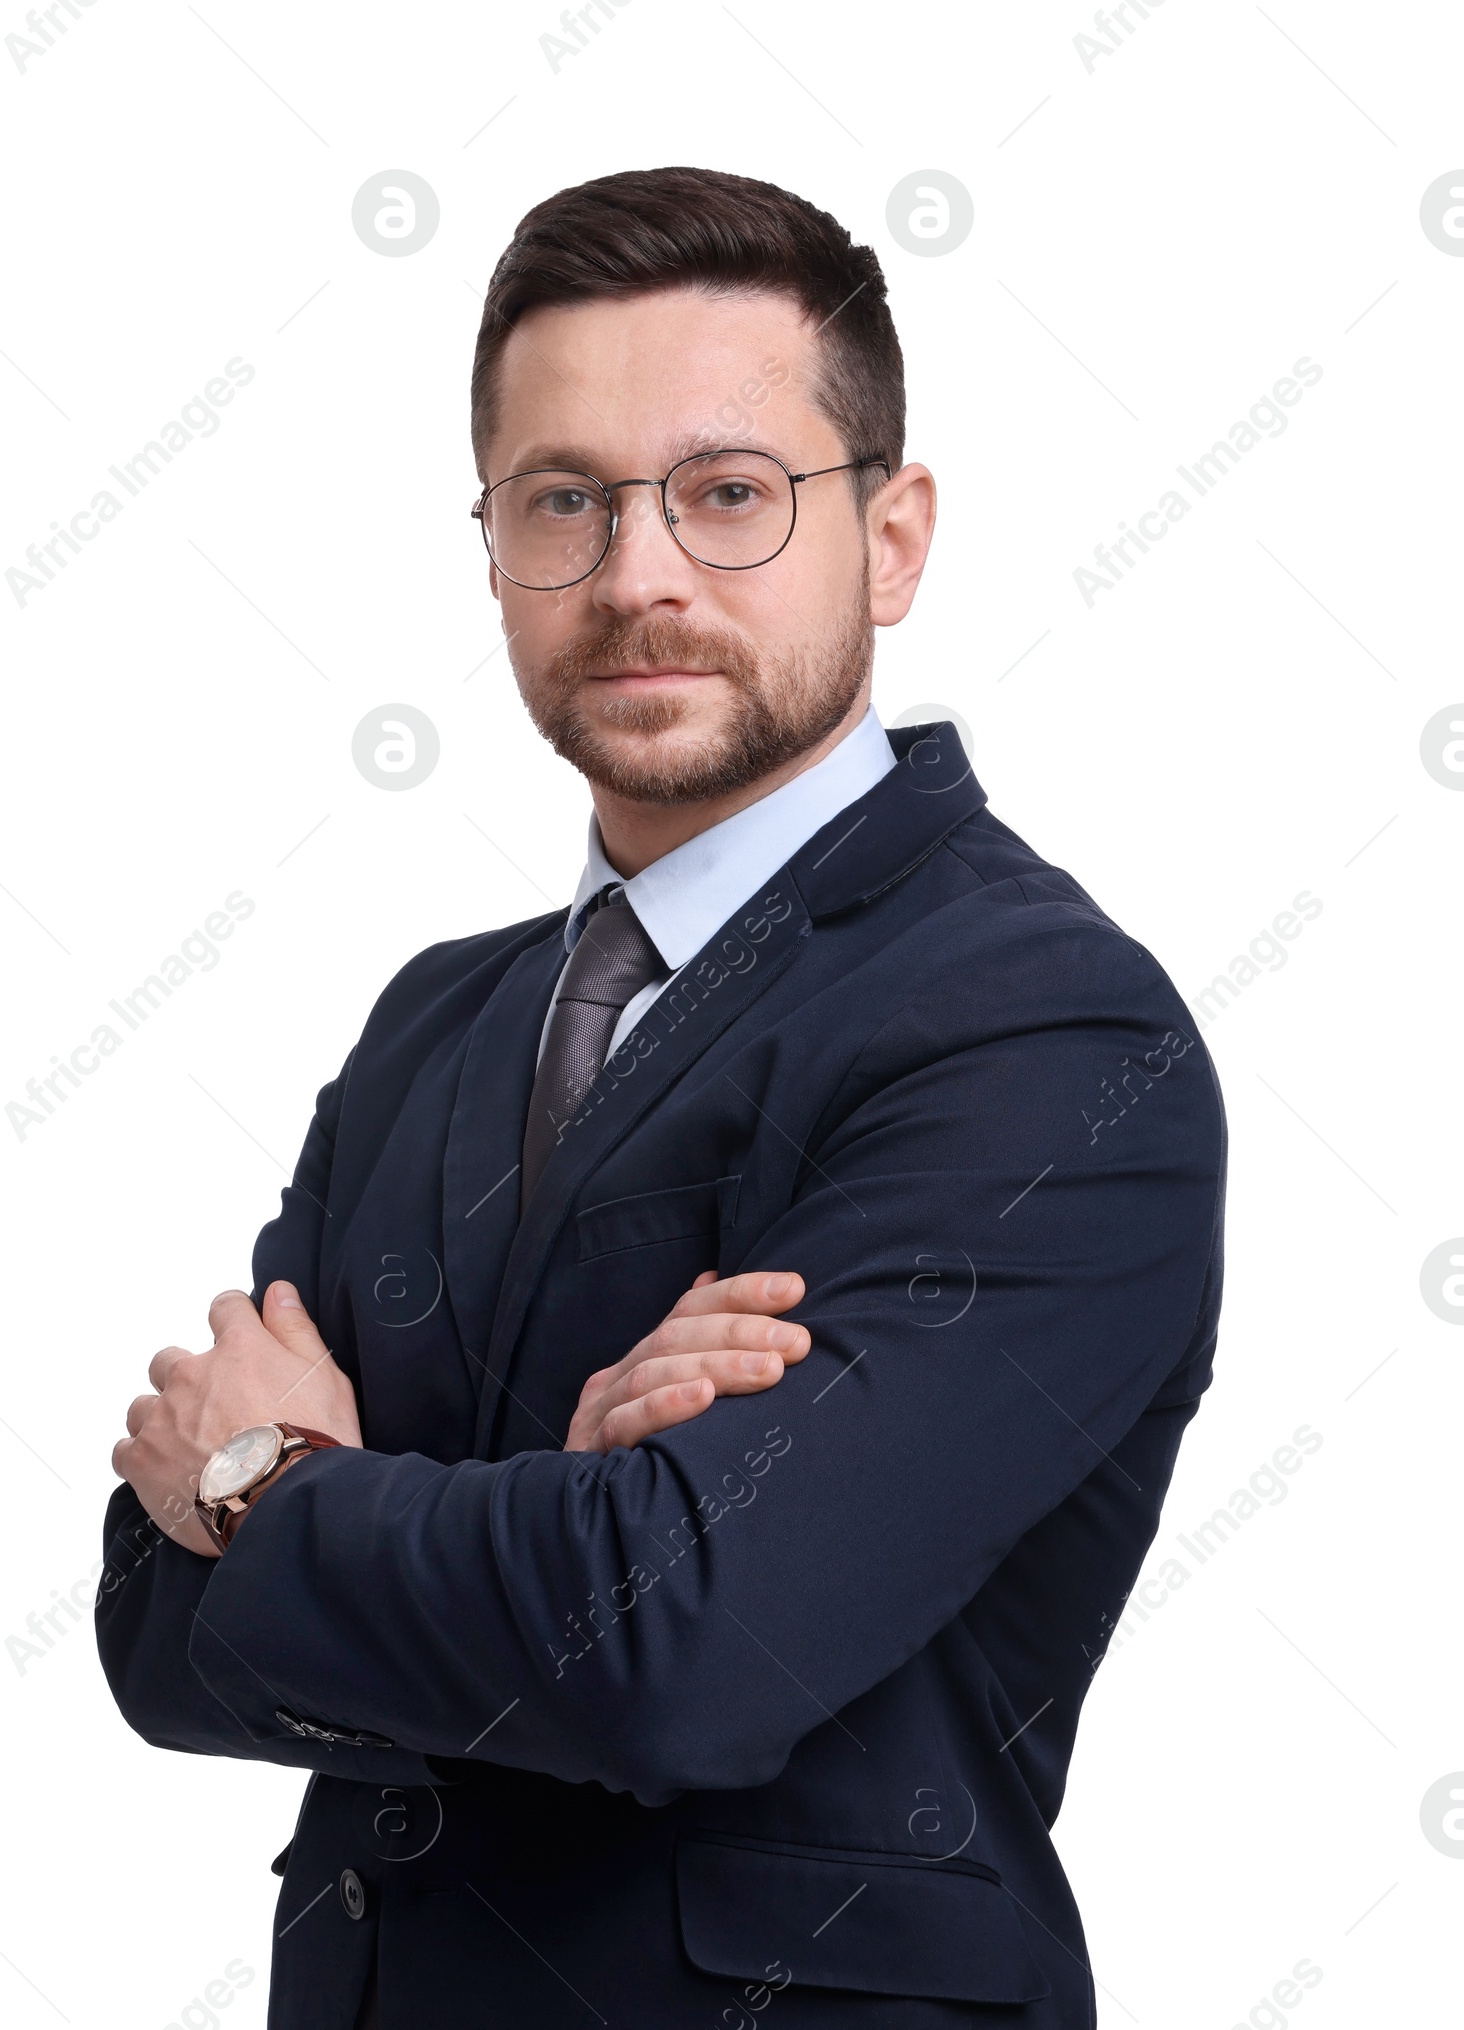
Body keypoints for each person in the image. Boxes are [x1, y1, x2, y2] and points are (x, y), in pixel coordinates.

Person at [98, 165, 1226, 2029]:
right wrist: (559, 1515)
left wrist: (284, 1484)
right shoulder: (433, 1024)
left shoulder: (1043, 1030)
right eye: (566, 502)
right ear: (492, 548)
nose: (638, 576)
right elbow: (157, 1633)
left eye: (727, 494)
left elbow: (682, 1648)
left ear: (893, 535)